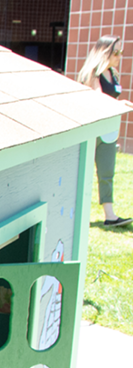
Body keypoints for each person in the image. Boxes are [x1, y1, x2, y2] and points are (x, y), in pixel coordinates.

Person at [78, 35, 133, 228]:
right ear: (104, 52)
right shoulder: (92, 72)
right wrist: (120, 104)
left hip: (109, 130)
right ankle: (76, 212)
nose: (119, 56)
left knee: (107, 173)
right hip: (92, 129)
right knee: (81, 173)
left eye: (121, 51)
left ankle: (110, 216)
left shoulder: (114, 73)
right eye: (115, 52)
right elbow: (97, 99)